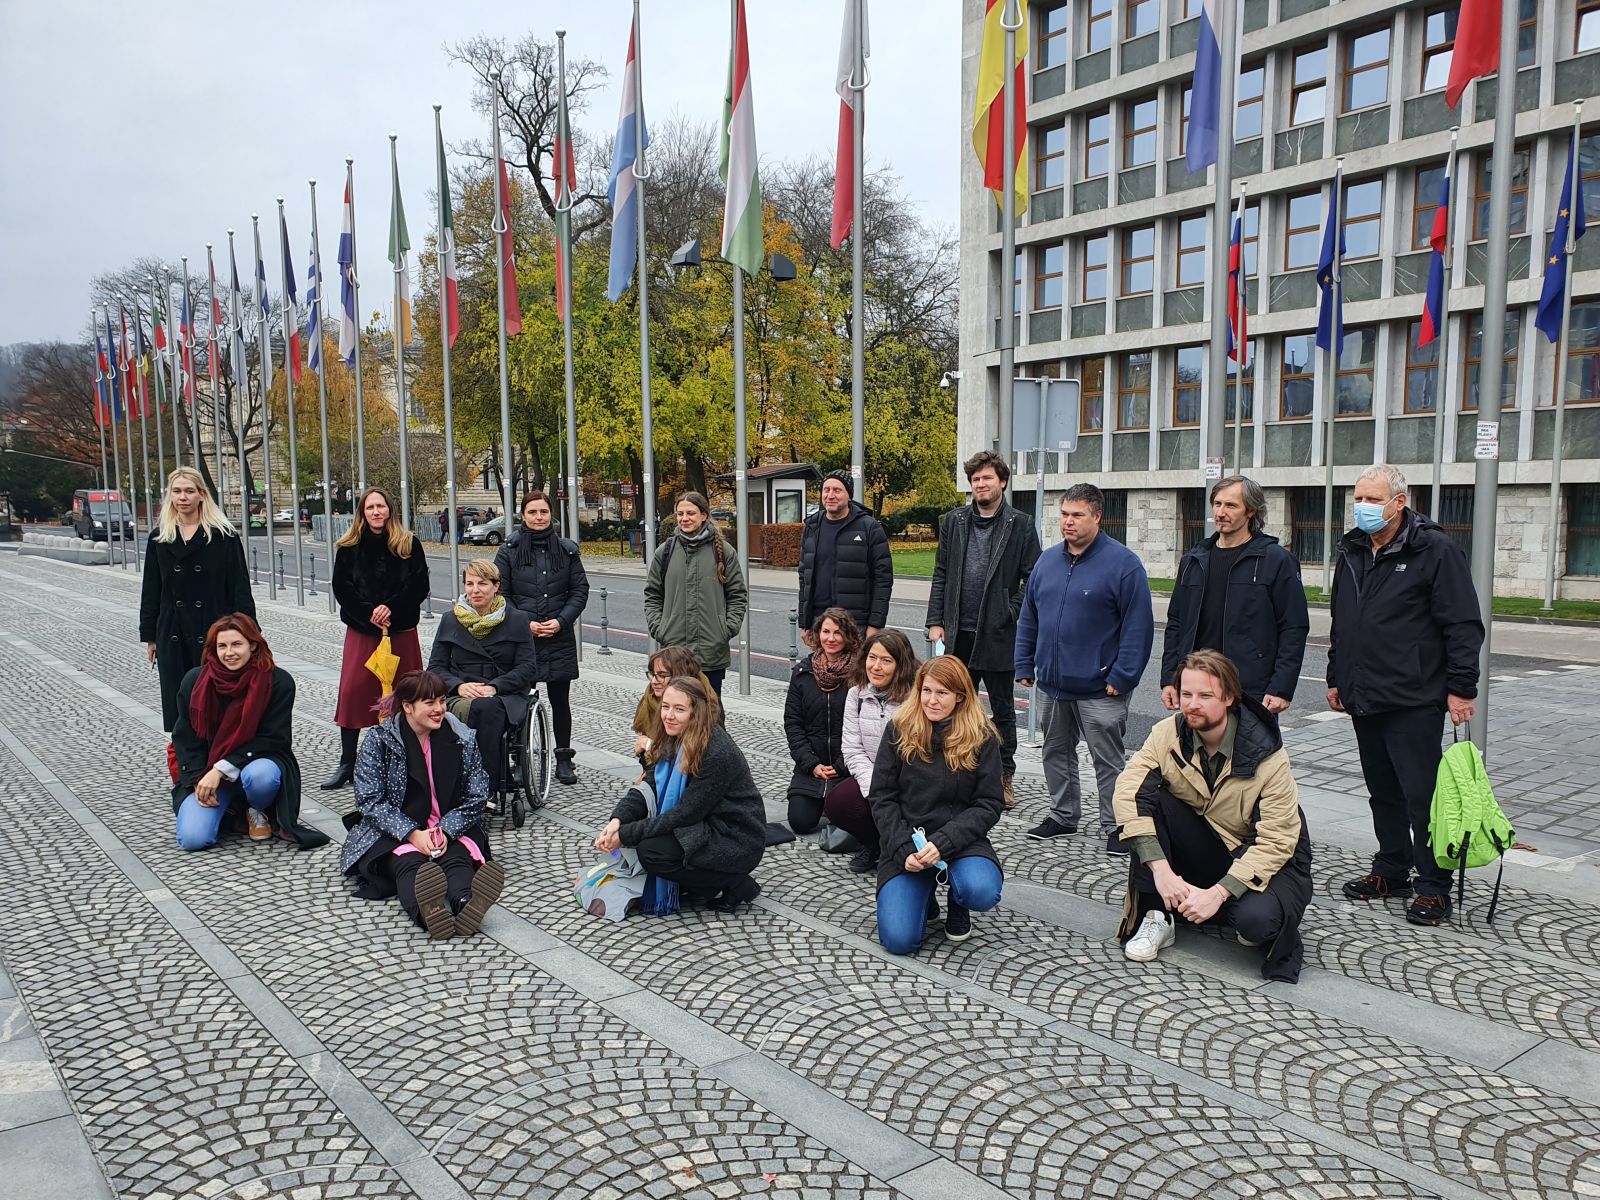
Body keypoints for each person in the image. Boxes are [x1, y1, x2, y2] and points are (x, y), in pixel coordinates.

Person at [1328, 464, 1484, 927]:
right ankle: (1391, 869)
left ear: (1400, 502)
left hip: (1414, 697)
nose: (1363, 507)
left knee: (1423, 795)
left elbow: (1462, 624)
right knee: (1383, 791)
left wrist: (1461, 688)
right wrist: (1337, 676)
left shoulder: (1433, 549)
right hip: (1364, 693)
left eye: (1373, 499)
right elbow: (1344, 619)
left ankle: (1434, 886)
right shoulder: (1353, 548)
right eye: (1358, 498)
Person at [1114, 650, 1313, 982]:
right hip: (1206, 842)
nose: (1193, 703)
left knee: (1257, 923)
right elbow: (1127, 791)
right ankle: (1157, 914)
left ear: (1230, 698)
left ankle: (1218, 904)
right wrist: (1161, 871)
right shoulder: (1167, 733)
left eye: (1206, 695)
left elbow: (1277, 840)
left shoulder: (1267, 753)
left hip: (1262, 853)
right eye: (1187, 694)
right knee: (1148, 800)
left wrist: (1218, 893)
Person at [1015, 483, 1154, 850]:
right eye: (1064, 514)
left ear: (1097, 516)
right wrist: (1024, 662)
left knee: (1108, 760)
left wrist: (1122, 677)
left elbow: (1138, 628)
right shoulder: (1047, 561)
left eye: (1077, 515)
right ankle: (1063, 816)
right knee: (1054, 752)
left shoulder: (1124, 565)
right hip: (1053, 685)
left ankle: (1117, 826)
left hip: (1100, 687)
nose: (1068, 522)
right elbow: (1029, 615)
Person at [339, 670, 504, 938]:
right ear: (407, 706)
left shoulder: (462, 738)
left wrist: (445, 830)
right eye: (430, 703)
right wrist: (412, 834)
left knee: (456, 859)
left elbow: (477, 794)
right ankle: (428, 914)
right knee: (410, 865)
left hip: (448, 825)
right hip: (396, 831)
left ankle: (465, 906)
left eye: (441, 700)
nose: (439, 709)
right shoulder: (380, 740)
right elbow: (369, 799)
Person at [925, 450, 1042, 807]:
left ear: (1002, 482)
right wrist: (935, 620)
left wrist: (1010, 610)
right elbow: (941, 572)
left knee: (1003, 712)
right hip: (958, 633)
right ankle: (956, 774)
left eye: (987, 478)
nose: (981, 484)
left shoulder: (1019, 523)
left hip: (997, 635)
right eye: (976, 479)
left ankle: (1004, 777)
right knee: (956, 707)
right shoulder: (955, 521)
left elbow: (1033, 577)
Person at [594, 674, 765, 913]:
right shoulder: (673, 736)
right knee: (645, 837)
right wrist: (617, 820)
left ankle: (735, 883)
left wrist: (625, 834)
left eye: (679, 709)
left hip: (735, 837)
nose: (669, 715)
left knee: (652, 852)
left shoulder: (716, 751)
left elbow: (685, 814)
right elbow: (649, 786)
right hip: (706, 824)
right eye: (665, 706)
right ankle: (698, 883)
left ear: (696, 712)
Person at [870, 655, 1005, 953]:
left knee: (980, 891)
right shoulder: (898, 729)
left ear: (960, 696)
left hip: (959, 841)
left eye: (942, 693)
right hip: (907, 841)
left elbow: (989, 803)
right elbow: (882, 797)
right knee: (899, 941)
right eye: (926, 690)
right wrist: (902, 848)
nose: (932, 700)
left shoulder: (982, 737)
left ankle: (959, 901)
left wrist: (944, 843)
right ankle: (924, 893)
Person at [171, 613, 329, 852]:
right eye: (222, 646)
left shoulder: (277, 681)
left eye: (237, 644)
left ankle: (258, 809)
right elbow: (185, 738)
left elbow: (273, 739)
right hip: (207, 769)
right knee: (193, 839)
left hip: (257, 760)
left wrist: (221, 769)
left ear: (253, 645)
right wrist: (196, 779)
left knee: (261, 776)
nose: (229, 653)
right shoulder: (195, 681)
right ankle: (233, 812)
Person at [1161, 476, 1309, 715]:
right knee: (1199, 752)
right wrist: (1169, 678)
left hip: (1250, 688)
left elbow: (1293, 627)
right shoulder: (1194, 560)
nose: (1220, 512)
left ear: (1251, 511)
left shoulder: (1276, 560)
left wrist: (1281, 687)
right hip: (1197, 685)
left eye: (1231, 505)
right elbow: (1176, 623)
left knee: (1249, 752)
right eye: (1217, 504)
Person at [326, 489, 431, 789]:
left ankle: (413, 756)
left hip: (400, 631)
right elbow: (342, 587)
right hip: (363, 630)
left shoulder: (409, 544)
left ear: (390, 510)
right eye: (370, 507)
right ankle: (347, 762)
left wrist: (391, 609)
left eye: (380, 506)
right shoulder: (349, 547)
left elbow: (419, 584)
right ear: (362, 512)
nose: (376, 512)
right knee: (353, 690)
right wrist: (369, 612)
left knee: (405, 692)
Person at [139, 467, 255, 734]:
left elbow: (240, 588)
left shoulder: (223, 536)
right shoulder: (159, 538)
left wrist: (249, 633)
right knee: (180, 707)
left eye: (189, 491)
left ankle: (218, 764)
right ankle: (185, 766)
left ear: (202, 495)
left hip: (215, 630)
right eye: (177, 491)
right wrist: (151, 636)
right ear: (169, 496)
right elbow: (151, 591)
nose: (183, 497)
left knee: (218, 705)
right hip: (173, 632)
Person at [496, 491, 590, 785]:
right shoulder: (509, 550)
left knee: (561, 700)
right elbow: (501, 595)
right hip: (522, 640)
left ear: (551, 515)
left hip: (558, 637)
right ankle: (520, 759)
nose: (539, 517)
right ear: (522, 515)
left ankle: (564, 759)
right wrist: (526, 624)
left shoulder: (567, 551)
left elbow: (579, 591)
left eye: (544, 512)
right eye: (533, 512)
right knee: (520, 700)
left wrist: (561, 622)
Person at [427, 559, 537, 798]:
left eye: (482, 584)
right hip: (460, 692)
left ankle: (484, 788)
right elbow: (435, 667)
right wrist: (458, 686)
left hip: (504, 693)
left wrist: (495, 687)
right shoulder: (450, 619)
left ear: (496, 586)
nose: (475, 590)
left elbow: (527, 667)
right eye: (469, 584)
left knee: (486, 708)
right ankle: (447, 785)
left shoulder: (517, 619)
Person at [824, 629, 919, 874]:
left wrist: (894, 787)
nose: (876, 666)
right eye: (872, 658)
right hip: (872, 775)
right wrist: (873, 788)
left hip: (909, 778)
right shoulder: (856, 694)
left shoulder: (915, 697)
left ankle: (899, 846)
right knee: (838, 803)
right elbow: (852, 749)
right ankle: (874, 843)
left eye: (886, 661)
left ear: (901, 665)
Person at [643, 492, 748, 697]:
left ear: (704, 515)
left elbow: (737, 595)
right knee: (674, 713)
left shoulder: (724, 552)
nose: (685, 518)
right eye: (680, 513)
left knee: (710, 714)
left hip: (710, 651)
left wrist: (725, 629)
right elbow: (653, 595)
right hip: (673, 650)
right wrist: (660, 628)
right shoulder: (665, 552)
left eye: (690, 513)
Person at [783, 607, 862, 838]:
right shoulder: (802, 673)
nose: (831, 638)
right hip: (811, 765)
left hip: (847, 767)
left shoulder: (859, 674)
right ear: (818, 634)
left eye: (838, 632)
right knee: (800, 822)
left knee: (844, 817)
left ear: (848, 636)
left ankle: (833, 800)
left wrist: (840, 766)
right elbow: (793, 724)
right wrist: (811, 764)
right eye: (826, 631)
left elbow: (861, 729)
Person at [797, 470, 893, 644]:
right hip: (820, 624)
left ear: (849, 495)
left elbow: (883, 579)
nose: (830, 495)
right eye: (826, 490)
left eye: (837, 490)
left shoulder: (869, 528)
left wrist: (875, 625)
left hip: (856, 625)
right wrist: (805, 622)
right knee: (821, 671)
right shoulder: (812, 527)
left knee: (854, 671)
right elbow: (804, 577)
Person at [633, 645, 719, 765]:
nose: (654, 681)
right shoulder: (651, 698)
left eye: (662, 675)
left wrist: (648, 745)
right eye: (653, 674)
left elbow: (689, 755)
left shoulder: (703, 704)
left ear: (680, 676)